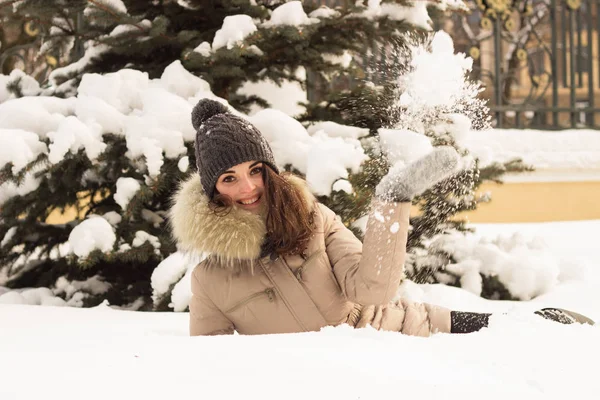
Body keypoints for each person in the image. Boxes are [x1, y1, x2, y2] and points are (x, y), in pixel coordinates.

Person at [170, 99, 594, 336]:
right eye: (229, 178)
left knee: (530, 338)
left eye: (255, 170)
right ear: (212, 193)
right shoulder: (211, 281)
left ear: (270, 171)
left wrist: (393, 201)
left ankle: (539, 323)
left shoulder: (313, 219)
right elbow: (216, 372)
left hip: (412, 333)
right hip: (345, 381)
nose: (248, 188)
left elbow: (372, 289)